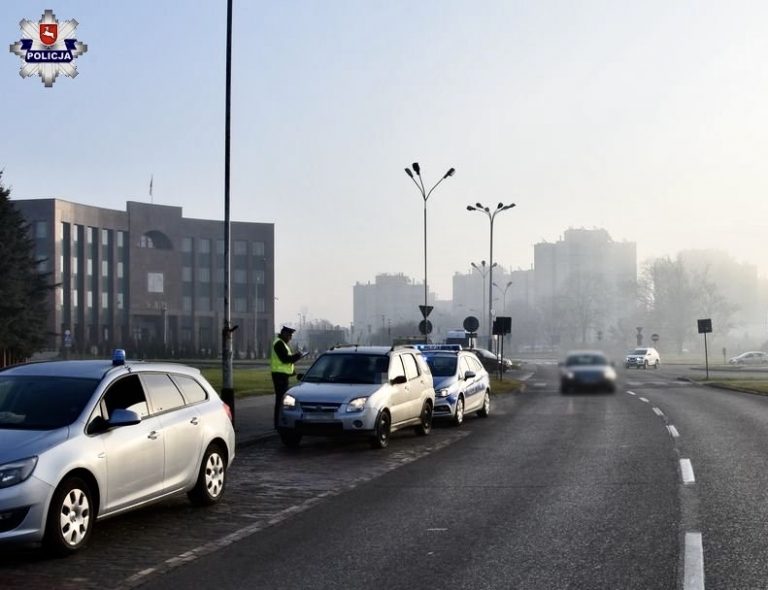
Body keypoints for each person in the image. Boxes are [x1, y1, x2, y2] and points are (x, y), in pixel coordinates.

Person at [271, 325, 304, 428]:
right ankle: (278, 423)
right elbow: (285, 359)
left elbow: (286, 360)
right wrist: (298, 356)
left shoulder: (282, 343)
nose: (291, 337)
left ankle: (279, 422)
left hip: (282, 375)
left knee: (281, 399)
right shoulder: (279, 344)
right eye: (290, 335)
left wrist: (293, 370)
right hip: (279, 375)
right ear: (285, 334)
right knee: (281, 399)